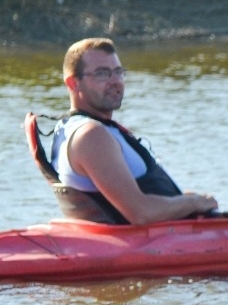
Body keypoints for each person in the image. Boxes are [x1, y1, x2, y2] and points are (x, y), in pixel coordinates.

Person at [24, 38, 217, 225]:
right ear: (73, 83)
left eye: (118, 72)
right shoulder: (90, 135)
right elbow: (141, 214)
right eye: (102, 74)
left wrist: (183, 201)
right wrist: (194, 203)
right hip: (139, 250)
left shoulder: (83, 128)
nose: (115, 81)